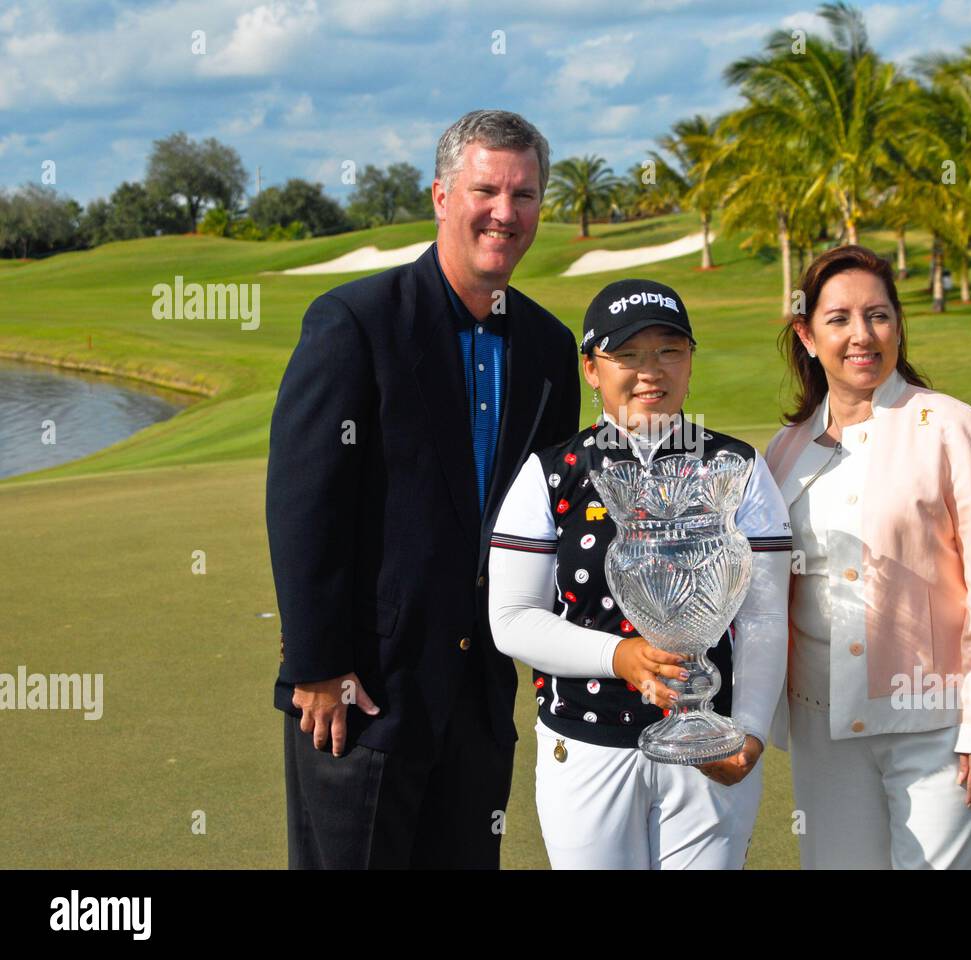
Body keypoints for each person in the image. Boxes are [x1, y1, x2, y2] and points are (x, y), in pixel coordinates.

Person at [266, 109, 580, 869]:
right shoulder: (354, 322)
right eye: (486, 190)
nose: (505, 213)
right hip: (361, 696)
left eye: (526, 194)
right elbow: (305, 503)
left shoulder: (548, 346)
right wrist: (315, 665)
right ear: (442, 196)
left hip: (478, 702)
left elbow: (554, 519)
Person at [487, 278, 791, 869]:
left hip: (711, 744)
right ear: (592, 369)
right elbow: (512, 620)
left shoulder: (737, 466)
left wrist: (749, 730)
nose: (651, 370)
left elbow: (763, 614)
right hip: (587, 738)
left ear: (690, 361)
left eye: (669, 350)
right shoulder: (552, 473)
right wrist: (619, 658)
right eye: (627, 354)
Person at [763, 245, 971, 869]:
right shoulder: (783, 449)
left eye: (878, 315)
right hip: (821, 726)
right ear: (807, 335)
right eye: (838, 319)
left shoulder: (952, 428)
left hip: (932, 723)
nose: (861, 335)